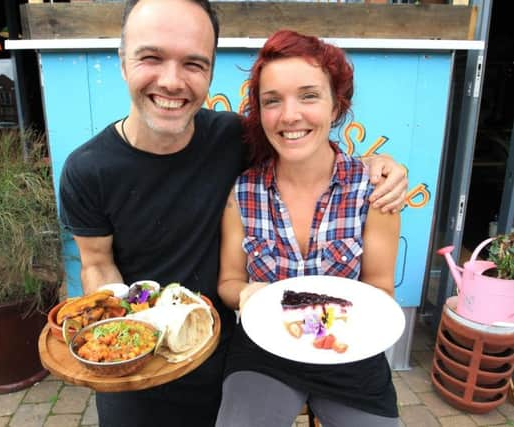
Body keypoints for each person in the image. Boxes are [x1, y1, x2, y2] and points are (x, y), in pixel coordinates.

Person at [58, 1, 407, 426]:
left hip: (218, 354)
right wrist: (132, 343)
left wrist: (379, 164)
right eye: (151, 57)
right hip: (142, 367)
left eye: (193, 63)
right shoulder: (87, 169)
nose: (171, 81)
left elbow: (299, 139)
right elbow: (96, 267)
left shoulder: (229, 137)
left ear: (209, 71)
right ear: (122, 62)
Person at [215, 30, 401, 427]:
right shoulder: (243, 190)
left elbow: (381, 291)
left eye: (309, 95)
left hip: (349, 350)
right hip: (264, 350)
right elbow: (229, 281)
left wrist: (342, 329)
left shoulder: (374, 191)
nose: (289, 115)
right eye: (272, 101)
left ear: (337, 105)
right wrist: (246, 292)